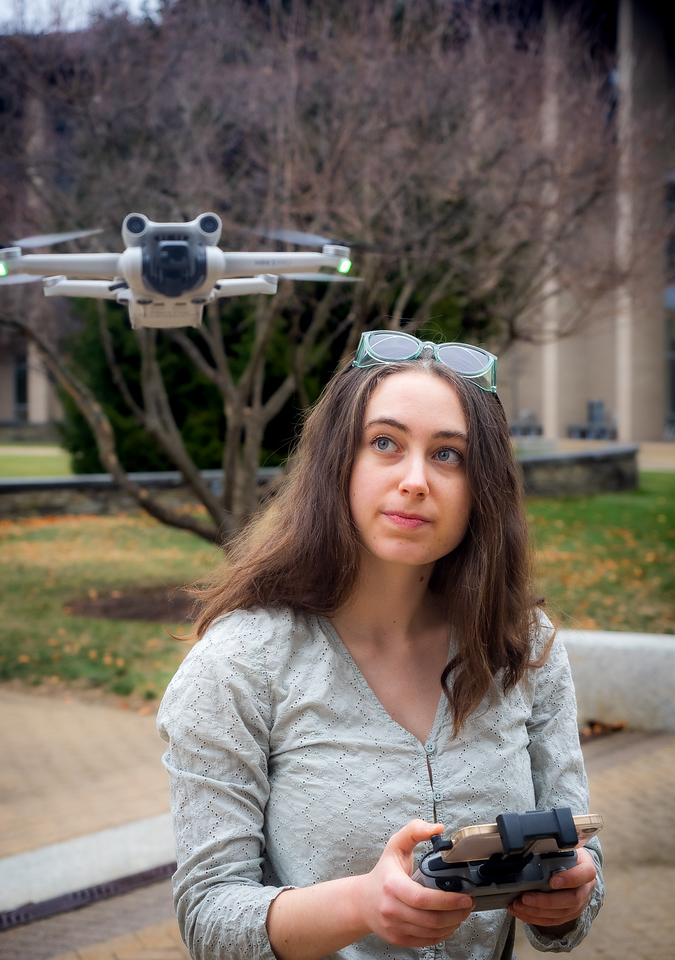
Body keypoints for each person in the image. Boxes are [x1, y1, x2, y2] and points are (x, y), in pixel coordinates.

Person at [157, 330, 604, 960]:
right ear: (338, 461)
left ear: (483, 487)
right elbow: (208, 916)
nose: (416, 480)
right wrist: (361, 905)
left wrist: (569, 899)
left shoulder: (523, 648)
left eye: (448, 455)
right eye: (385, 443)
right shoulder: (239, 663)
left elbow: (582, 863)